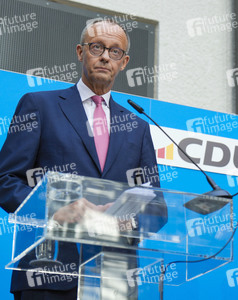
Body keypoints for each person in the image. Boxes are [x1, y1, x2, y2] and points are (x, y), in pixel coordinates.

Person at [0, 18, 167, 299]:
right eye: (97, 47)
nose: (105, 56)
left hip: (113, 282)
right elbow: (5, 179)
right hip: (49, 273)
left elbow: (157, 208)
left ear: (124, 62)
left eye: (115, 51)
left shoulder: (138, 128)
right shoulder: (40, 106)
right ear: (80, 52)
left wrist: (117, 220)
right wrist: (52, 210)